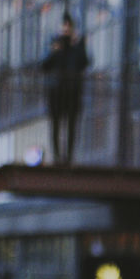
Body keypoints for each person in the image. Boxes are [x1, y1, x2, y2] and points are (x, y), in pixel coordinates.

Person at [42, 11, 90, 165]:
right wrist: (55, 50)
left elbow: (84, 62)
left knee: (71, 125)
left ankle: (68, 157)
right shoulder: (56, 44)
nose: (66, 29)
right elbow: (44, 65)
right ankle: (57, 156)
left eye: (68, 26)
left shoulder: (77, 45)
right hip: (56, 92)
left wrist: (77, 45)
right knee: (56, 125)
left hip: (72, 91)